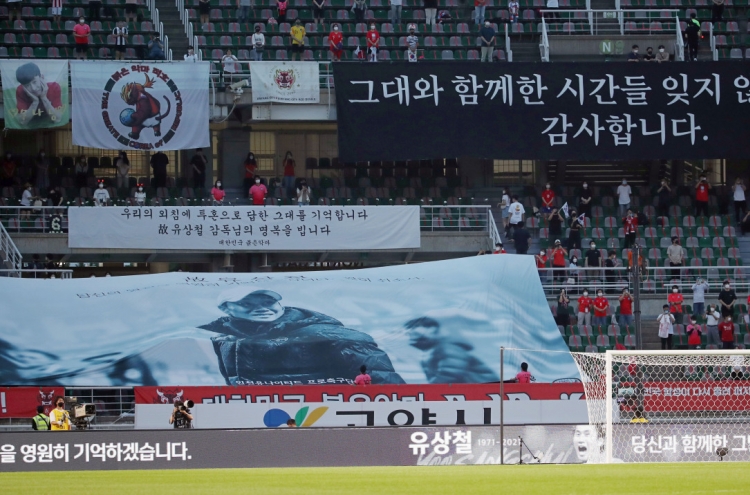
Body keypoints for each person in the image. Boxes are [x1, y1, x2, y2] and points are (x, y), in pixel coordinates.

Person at [200, 289, 404, 384]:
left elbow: (383, 377)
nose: (261, 308)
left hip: (322, 410)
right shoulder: (223, 336)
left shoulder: (328, 333)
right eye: (247, 303)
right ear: (226, 309)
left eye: (268, 301)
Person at [404, 317, 498, 383]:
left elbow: (450, 373)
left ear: (432, 330)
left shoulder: (448, 347)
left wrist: (430, 391)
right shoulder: (431, 351)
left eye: (415, 332)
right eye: (409, 334)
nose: (411, 335)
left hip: (481, 392)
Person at [15, 62, 64, 128]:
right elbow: (22, 121)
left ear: (42, 77)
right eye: (27, 85)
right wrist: (35, 102)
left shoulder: (54, 87)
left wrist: (44, 97)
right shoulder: (20, 90)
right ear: (23, 86)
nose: (33, 88)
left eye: (34, 82)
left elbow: (57, 119)